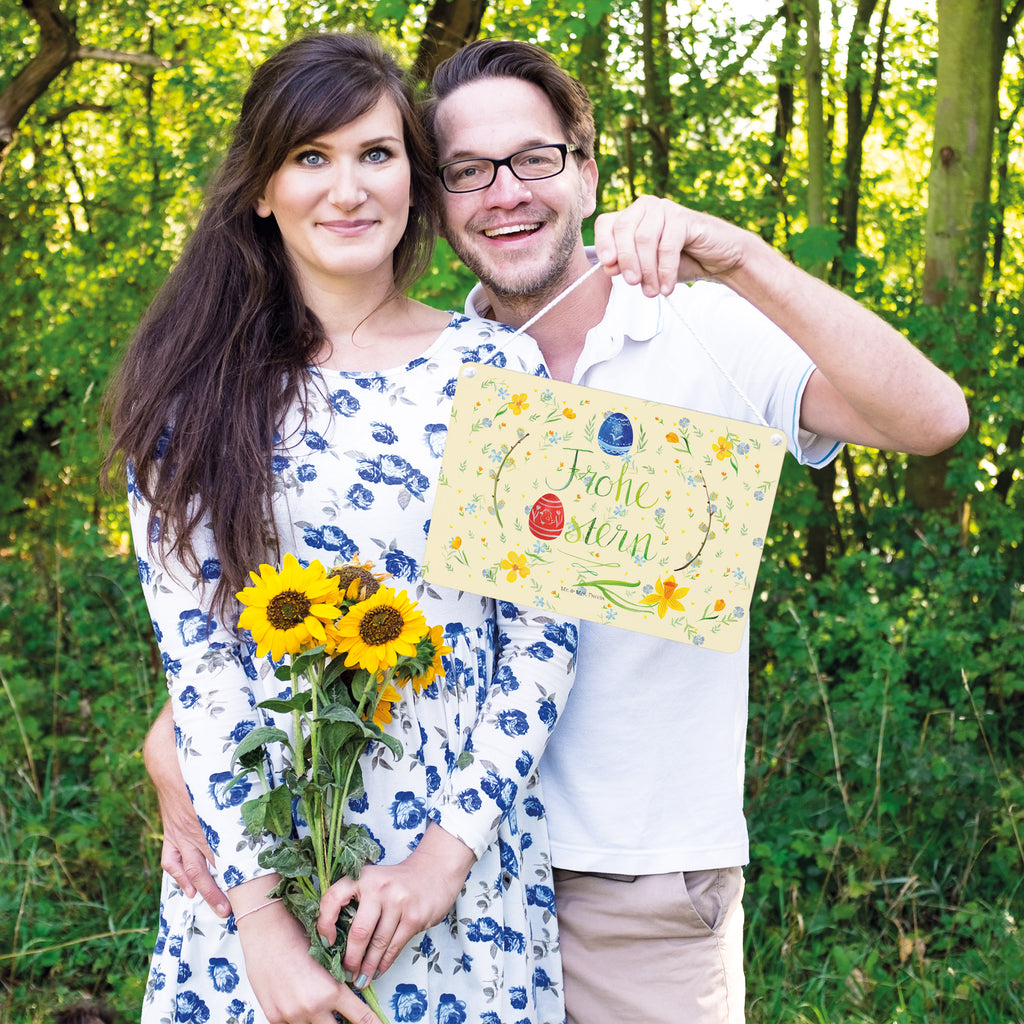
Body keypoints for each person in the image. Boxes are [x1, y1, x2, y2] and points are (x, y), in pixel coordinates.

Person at [142, 36, 970, 1024]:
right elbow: (261, 615)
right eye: (468, 170)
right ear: (437, 195)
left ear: (587, 171)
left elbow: (932, 420)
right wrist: (182, 745)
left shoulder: (671, 331)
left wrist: (741, 255)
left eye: (533, 159)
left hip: (617, 878)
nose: (505, 193)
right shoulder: (378, 372)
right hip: (352, 864)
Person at [106, 32, 577, 1024]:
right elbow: (201, 666)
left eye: (376, 154)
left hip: (455, 878)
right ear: (261, 189)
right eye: (310, 157)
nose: (349, 189)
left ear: (414, 177)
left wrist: (442, 862)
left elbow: (541, 640)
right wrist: (261, 926)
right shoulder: (192, 397)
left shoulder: (499, 371)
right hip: (253, 876)